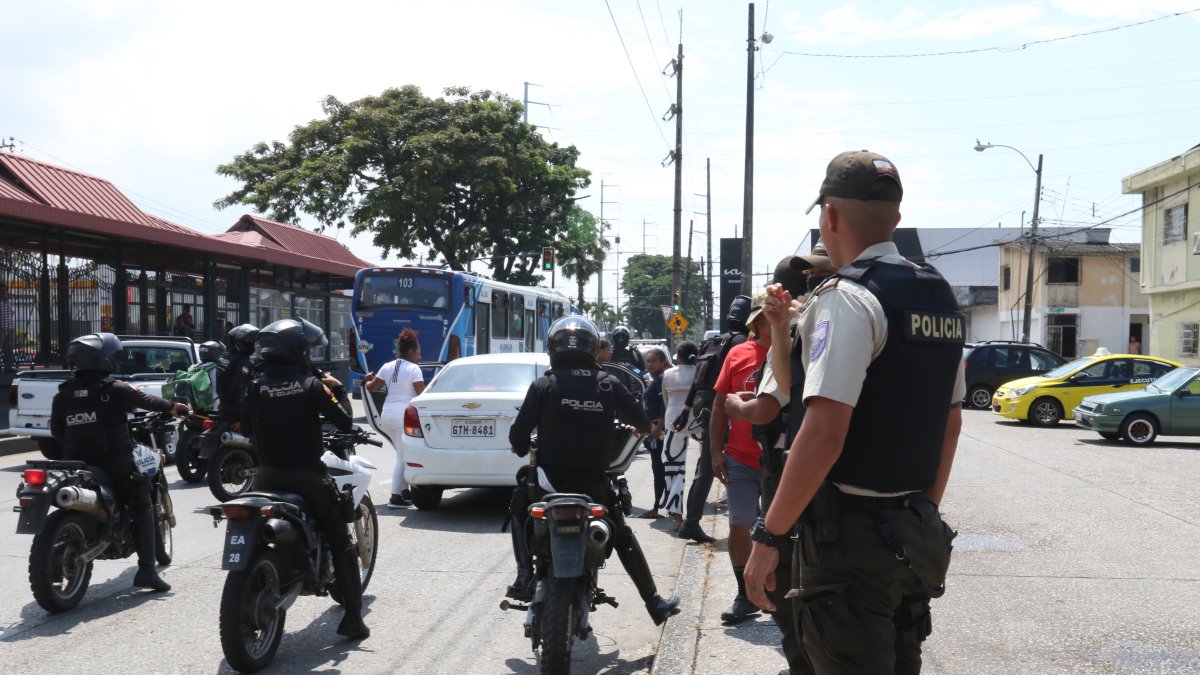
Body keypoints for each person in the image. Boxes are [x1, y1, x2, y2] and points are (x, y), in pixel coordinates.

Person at [744, 150, 965, 675]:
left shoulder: (847, 299)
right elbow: (950, 425)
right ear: (895, 217)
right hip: (910, 536)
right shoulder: (938, 295)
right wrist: (922, 513)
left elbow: (822, 434)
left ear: (830, 216)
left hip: (849, 545)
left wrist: (770, 536)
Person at [505, 315, 681, 626]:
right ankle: (654, 603)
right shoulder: (608, 383)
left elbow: (518, 439)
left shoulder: (544, 385)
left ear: (553, 349)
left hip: (549, 484)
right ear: (591, 348)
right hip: (594, 484)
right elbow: (641, 422)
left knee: (520, 505)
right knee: (622, 535)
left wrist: (525, 445)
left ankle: (523, 576)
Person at [725, 249, 830, 675]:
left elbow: (767, 408)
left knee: (789, 590)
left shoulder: (803, 332)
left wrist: (736, 406)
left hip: (793, 477)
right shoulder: (848, 318)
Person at [241, 318, 369, 640]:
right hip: (307, 478)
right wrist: (337, 387)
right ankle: (353, 617)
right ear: (298, 351)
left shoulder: (255, 386)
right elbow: (344, 419)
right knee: (342, 541)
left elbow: (244, 426)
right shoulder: (311, 385)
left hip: (266, 478)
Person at [50, 333, 190, 593]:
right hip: (114, 460)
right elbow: (147, 401)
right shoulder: (113, 389)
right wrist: (173, 407)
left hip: (75, 463)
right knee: (142, 504)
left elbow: (57, 431)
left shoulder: (63, 395)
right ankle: (147, 571)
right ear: (104, 359)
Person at [709, 291, 772, 625]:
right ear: (756, 322)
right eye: (765, 318)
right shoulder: (738, 354)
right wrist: (715, 453)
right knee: (739, 526)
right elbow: (719, 406)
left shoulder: (792, 355)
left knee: (783, 531)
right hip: (740, 459)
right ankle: (744, 594)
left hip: (780, 462)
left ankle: (777, 593)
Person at [672, 295, 752, 545]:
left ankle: (692, 522)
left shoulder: (711, 342)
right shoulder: (742, 343)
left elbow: (697, 381)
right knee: (728, 463)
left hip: (701, 405)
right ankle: (694, 522)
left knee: (707, 465)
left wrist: (686, 411)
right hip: (723, 406)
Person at [362, 328, 425, 509]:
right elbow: (421, 396)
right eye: (418, 353)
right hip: (403, 416)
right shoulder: (414, 369)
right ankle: (395, 497)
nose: (419, 357)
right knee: (402, 457)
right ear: (411, 351)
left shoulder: (387, 366)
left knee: (400, 454)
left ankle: (405, 492)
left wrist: (367, 380)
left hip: (387, 415)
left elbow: (372, 387)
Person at [660, 341, 699, 530]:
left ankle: (677, 517)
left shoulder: (668, 374)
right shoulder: (699, 372)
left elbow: (666, 401)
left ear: (679, 357)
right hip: (697, 422)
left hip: (673, 422)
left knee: (674, 469)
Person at [637, 348, 669, 519]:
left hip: (659, 430)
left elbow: (665, 405)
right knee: (659, 469)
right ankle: (665, 505)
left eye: (653, 361)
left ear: (663, 362)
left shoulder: (662, 379)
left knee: (659, 469)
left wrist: (658, 427)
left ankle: (658, 507)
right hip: (653, 428)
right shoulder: (655, 380)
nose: (649, 364)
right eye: (647, 361)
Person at [215, 324, 259, 424]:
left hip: (223, 408)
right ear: (238, 342)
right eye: (249, 341)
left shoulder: (224, 358)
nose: (252, 344)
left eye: (253, 341)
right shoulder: (243, 363)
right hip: (237, 414)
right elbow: (238, 388)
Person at [0, 283, 14, 372]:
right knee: (3, 348)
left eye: (5, 290)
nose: (3, 292)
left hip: (10, 328)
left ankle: (8, 367)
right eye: (1, 291)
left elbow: (11, 314)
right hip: (1, 328)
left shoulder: (9, 302)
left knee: (8, 349)